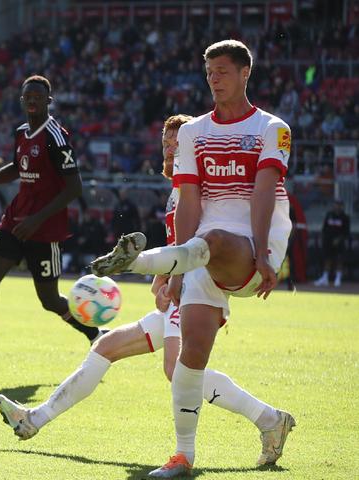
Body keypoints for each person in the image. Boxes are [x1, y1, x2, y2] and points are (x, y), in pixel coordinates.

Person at [0, 114, 289, 468]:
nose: (169, 149)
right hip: (178, 288)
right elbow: (179, 245)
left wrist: (176, 279)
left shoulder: (198, 188)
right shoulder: (179, 189)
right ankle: (34, 420)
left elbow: (202, 246)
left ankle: (266, 420)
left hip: (194, 288)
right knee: (105, 347)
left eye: (175, 144)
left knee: (175, 368)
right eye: (165, 143)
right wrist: (162, 280)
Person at [89, 40, 295, 477]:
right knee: (189, 360)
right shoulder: (192, 132)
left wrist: (263, 254)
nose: (214, 80)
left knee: (217, 238)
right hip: (197, 252)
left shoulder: (272, 129)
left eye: (223, 71)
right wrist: (179, 275)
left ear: (245, 74)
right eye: (209, 73)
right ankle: (187, 455)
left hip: (250, 245)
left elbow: (262, 192)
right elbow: (188, 201)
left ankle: (140, 260)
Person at [0, 75, 103, 381]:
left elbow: (74, 188)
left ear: (49, 101)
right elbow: (20, 168)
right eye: (27, 96)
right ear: (21, 100)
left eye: (37, 96)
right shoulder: (21, 132)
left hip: (45, 229)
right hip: (16, 220)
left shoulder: (56, 137)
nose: (32, 100)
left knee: (49, 300)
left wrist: (38, 219)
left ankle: (95, 333)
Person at [314, 199, 350, 287]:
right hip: (328, 242)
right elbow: (324, 228)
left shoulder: (345, 217)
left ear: (342, 206)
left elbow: (346, 232)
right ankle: (325, 278)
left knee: (339, 260)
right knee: (327, 259)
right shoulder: (329, 215)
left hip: (339, 243)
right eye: (335, 204)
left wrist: (339, 239)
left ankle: (338, 279)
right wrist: (323, 238)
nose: (337, 206)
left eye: (339, 205)